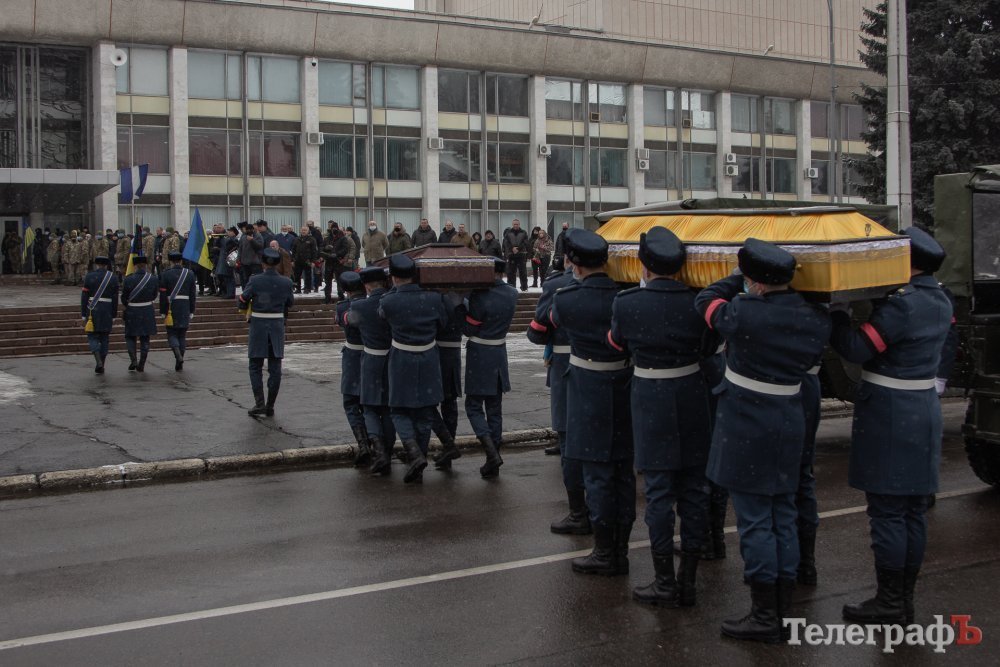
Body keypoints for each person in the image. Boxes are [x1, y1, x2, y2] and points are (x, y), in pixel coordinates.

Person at [695, 238, 830, 643]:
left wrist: (734, 276)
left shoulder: (743, 313)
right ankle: (783, 605)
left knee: (754, 519)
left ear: (754, 280)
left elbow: (705, 300)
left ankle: (764, 613)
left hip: (747, 424)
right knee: (783, 512)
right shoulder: (816, 317)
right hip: (790, 418)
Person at [829, 227, 953, 627]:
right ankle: (903, 599)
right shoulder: (937, 298)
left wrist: (838, 313)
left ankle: (889, 602)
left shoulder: (902, 305)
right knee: (912, 511)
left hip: (891, 413)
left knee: (887, 511)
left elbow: (856, 349)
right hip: (920, 409)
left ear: (906, 261)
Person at [608, 228, 712, 608]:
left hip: (651, 399)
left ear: (644, 266)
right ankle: (689, 581)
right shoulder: (698, 302)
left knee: (658, 493)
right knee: (694, 491)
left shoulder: (627, 303)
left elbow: (616, 343)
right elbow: (709, 346)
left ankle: (665, 580)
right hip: (692, 396)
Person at [538, 229, 635, 577]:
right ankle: (620, 550)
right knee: (623, 474)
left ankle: (605, 552)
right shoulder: (624, 297)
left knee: (596, 474)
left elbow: (543, 327)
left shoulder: (566, 299)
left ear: (574, 264)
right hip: (624, 388)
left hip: (585, 390)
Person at [527, 256, 588, 533]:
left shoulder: (557, 288)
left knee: (569, 443)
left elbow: (537, 332)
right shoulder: (616, 289)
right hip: (607, 375)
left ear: (568, 260)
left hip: (566, 370)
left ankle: (578, 512)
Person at [377, 254, 451, 483]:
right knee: (425, 410)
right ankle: (419, 457)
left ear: (394, 277)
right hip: (429, 357)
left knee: (398, 409)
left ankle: (414, 453)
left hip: (402, 359)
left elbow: (382, 318)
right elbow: (443, 323)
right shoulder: (434, 298)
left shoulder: (389, 301)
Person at [461, 258, 519, 478]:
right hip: (499, 354)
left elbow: (469, 329)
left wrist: (459, 307)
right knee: (495, 409)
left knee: (473, 406)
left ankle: (491, 453)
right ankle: (493, 457)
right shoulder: (512, 293)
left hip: (480, 354)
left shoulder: (479, 295)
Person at [348, 266, 397, 476]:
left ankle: (379, 452)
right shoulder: (392, 302)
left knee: (369, 407)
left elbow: (349, 323)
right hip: (393, 359)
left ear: (366, 285)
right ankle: (388, 450)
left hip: (371, 360)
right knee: (387, 409)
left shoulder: (359, 305)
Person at [239, 248, 295, 417]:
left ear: (263, 263)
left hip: (258, 326)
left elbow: (243, 299)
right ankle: (270, 405)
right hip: (277, 326)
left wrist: (246, 308)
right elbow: (290, 303)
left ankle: (259, 403)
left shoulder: (255, 280)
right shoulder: (286, 282)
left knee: (255, 366)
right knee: (275, 367)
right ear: (278, 263)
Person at [336, 271, 373, 467]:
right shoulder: (373, 304)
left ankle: (363, 444)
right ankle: (376, 442)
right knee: (369, 403)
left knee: (351, 402)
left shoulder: (343, 306)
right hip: (372, 354)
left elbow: (341, 321)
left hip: (352, 356)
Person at [430, 292, 464, 471]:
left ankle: (448, 445)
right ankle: (448, 448)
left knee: (427, 405)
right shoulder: (461, 299)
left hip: (436, 356)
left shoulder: (436, 299)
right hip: (452, 355)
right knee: (449, 404)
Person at [158, 251, 198, 371]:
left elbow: (163, 295)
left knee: (172, 333)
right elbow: (192, 295)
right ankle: (180, 359)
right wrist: (192, 310)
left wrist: (163, 310)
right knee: (182, 334)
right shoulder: (189, 274)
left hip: (171, 307)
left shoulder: (165, 274)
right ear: (181, 261)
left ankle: (177, 354)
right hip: (185, 306)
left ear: (171, 261)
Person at [80, 255, 119, 374]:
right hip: (107, 309)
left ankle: (98, 361)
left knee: (92, 336)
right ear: (106, 265)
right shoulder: (113, 277)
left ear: (96, 264)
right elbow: (115, 298)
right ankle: (102, 362)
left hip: (93, 310)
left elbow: (84, 297)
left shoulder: (90, 276)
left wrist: (83, 313)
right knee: (105, 338)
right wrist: (114, 314)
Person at [121, 255, 159, 372]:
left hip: (132, 311)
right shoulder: (153, 278)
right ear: (146, 265)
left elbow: (124, 297)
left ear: (135, 266)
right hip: (147, 310)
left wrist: (129, 305)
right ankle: (142, 363)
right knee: (145, 338)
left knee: (130, 336)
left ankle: (133, 360)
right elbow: (154, 295)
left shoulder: (128, 279)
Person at [321, 225, 353, 303]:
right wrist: (326, 249)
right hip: (329, 261)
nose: (334, 230)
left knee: (339, 280)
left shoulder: (342, 238)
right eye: (332, 228)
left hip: (338, 261)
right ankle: (327, 297)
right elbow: (321, 248)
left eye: (335, 228)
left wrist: (337, 254)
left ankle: (341, 296)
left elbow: (345, 249)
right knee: (328, 281)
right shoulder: (327, 238)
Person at [503, 219, 529, 291]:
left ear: (519, 224)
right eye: (514, 224)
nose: (516, 225)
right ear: (512, 224)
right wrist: (512, 248)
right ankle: (511, 288)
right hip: (511, 255)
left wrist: (518, 249)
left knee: (523, 272)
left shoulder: (523, 232)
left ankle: (524, 287)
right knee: (511, 273)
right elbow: (506, 243)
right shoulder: (508, 233)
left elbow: (526, 242)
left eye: (517, 224)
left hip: (521, 254)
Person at [291, 226, 319, 293]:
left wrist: (313, 261)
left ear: (308, 231)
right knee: (297, 276)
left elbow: (314, 251)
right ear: (300, 230)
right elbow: (293, 251)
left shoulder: (312, 239)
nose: (303, 231)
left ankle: (307, 289)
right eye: (302, 230)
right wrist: (292, 260)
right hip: (298, 260)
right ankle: (298, 289)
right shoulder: (296, 239)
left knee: (308, 276)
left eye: (305, 230)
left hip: (308, 261)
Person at [213, 226, 238, 299]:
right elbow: (218, 244)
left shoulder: (234, 239)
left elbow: (229, 245)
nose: (228, 233)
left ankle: (230, 293)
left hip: (229, 260)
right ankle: (228, 292)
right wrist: (220, 236)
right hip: (224, 260)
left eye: (230, 231)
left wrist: (223, 235)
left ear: (233, 233)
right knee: (226, 278)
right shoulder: (227, 239)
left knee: (229, 278)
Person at [237, 221, 264, 287]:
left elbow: (260, 246)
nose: (248, 231)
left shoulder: (258, 236)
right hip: (245, 263)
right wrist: (238, 259)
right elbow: (240, 248)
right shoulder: (243, 236)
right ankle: (247, 291)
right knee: (246, 279)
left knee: (257, 279)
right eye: (247, 230)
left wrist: (252, 240)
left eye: (250, 229)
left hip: (255, 263)